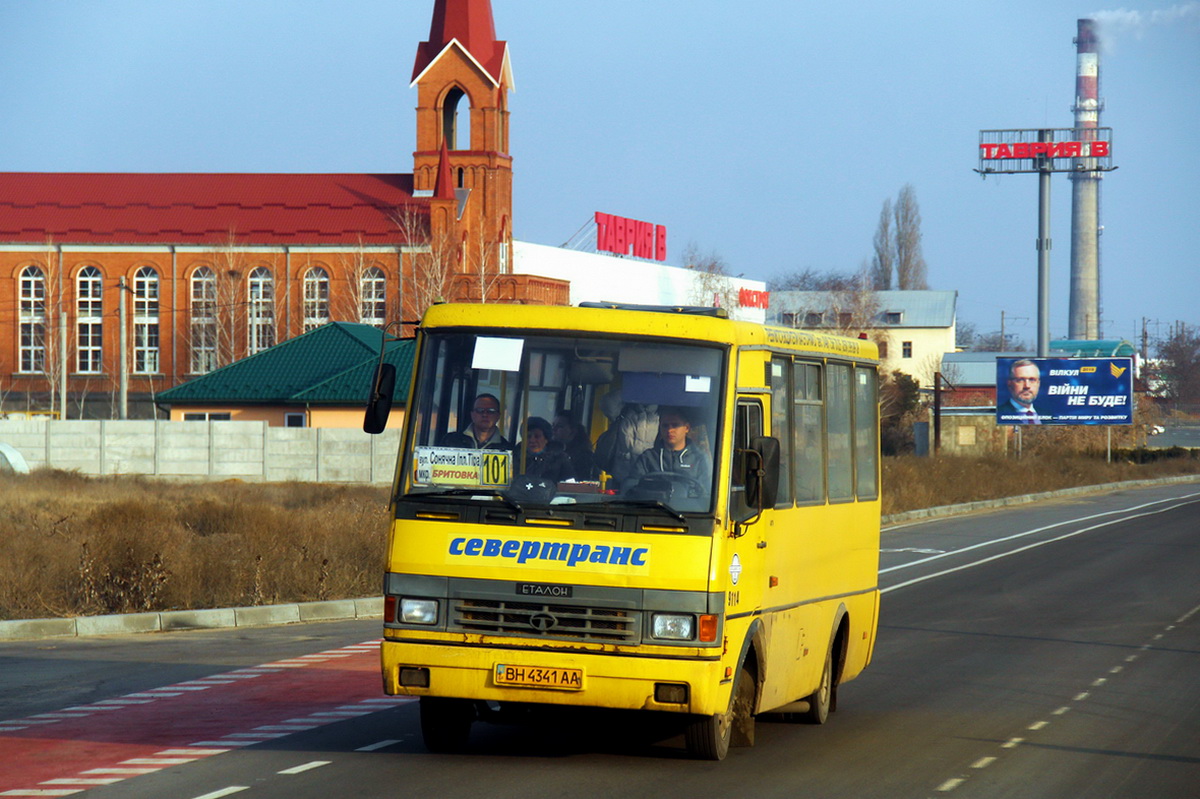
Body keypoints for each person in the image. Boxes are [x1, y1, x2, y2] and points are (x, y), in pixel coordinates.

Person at [629, 406, 712, 496]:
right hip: (653, 507)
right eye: (665, 426)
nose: (669, 430)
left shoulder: (699, 458)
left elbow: (707, 493)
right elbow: (631, 486)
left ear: (687, 428)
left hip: (689, 509)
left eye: (675, 425)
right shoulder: (647, 457)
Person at [439, 393, 513, 449]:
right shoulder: (451, 441)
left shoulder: (507, 449)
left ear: (498, 416)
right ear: (472, 414)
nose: (485, 414)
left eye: (490, 411)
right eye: (480, 410)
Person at [515, 417, 573, 481]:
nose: (532, 440)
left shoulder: (560, 459)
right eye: (528, 436)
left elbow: (569, 485)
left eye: (537, 436)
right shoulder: (514, 458)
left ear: (546, 439)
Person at [551, 413, 596, 480]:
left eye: (560, 426)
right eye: (553, 425)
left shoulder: (585, 457)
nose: (554, 429)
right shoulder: (548, 451)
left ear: (572, 431)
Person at [1003, 359, 1043, 424]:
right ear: (1009, 384)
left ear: (1038, 383)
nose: (1027, 386)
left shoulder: (1047, 415)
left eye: (1032, 380)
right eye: (1020, 380)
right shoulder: (1001, 413)